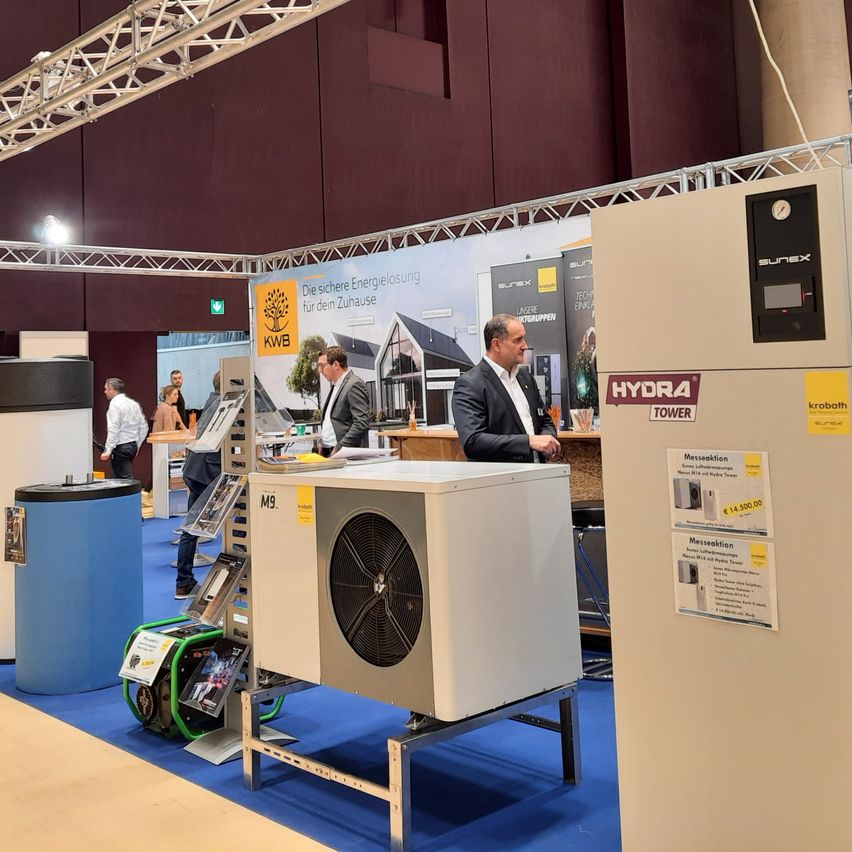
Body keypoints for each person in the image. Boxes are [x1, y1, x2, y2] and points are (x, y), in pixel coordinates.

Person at [451, 313, 561, 463]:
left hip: (537, 477)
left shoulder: (526, 378)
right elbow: (473, 441)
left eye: (524, 338)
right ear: (496, 345)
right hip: (500, 481)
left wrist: (548, 440)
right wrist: (528, 441)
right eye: (518, 340)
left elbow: (545, 421)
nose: (525, 346)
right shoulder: (470, 384)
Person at [174, 371, 222, 598]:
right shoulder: (223, 403)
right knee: (192, 527)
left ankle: (184, 581)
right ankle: (184, 581)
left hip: (197, 469)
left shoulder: (213, 400)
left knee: (191, 527)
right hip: (207, 472)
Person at [316, 346, 370, 456]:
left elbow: (362, 423)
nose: (320, 371)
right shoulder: (336, 386)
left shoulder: (354, 384)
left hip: (345, 454)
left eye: (322, 366)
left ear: (336, 365)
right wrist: (323, 442)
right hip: (328, 451)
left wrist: (340, 448)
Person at [100, 378, 149, 479]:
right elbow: (144, 426)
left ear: (112, 390)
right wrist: (137, 444)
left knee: (123, 480)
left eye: (106, 389)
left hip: (121, 447)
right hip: (132, 445)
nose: (104, 392)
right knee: (122, 477)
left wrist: (108, 449)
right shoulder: (133, 404)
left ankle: (133, 494)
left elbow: (114, 428)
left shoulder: (114, 405)